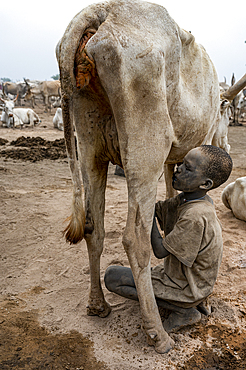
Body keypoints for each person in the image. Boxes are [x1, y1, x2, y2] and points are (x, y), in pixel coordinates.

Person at [104, 145, 233, 332]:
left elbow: (160, 250)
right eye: (181, 163)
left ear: (205, 184)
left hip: (188, 287)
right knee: (126, 275)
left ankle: (184, 310)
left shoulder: (195, 215)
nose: (178, 169)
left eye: (187, 168)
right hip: (185, 279)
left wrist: (145, 211)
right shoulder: (189, 199)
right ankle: (187, 304)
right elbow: (158, 209)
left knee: (112, 278)